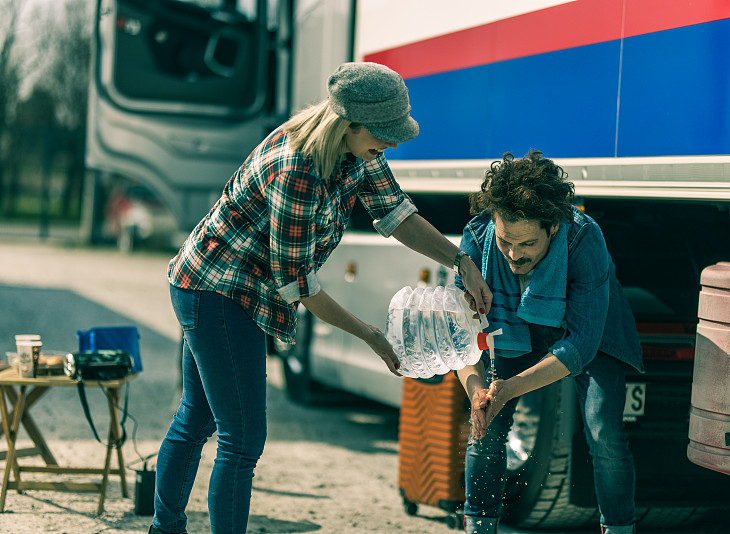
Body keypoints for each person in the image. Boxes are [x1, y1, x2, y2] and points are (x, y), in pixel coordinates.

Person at [148, 62, 492, 534]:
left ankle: (163, 529)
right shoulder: (297, 168)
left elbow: (396, 215)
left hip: (225, 282)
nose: (390, 145)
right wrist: (370, 334)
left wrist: (462, 262)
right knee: (242, 439)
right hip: (219, 289)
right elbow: (298, 283)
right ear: (348, 123)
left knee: (199, 418)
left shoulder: (358, 152)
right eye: (384, 134)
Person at [454, 150, 643, 534]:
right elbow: (461, 337)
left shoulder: (585, 239)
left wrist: (513, 387)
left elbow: (581, 345)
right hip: (514, 330)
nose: (512, 255)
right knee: (486, 423)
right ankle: (478, 527)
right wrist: (477, 391)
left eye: (526, 244)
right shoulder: (476, 240)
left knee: (603, 430)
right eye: (506, 242)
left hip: (589, 327)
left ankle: (620, 529)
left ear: (553, 227)